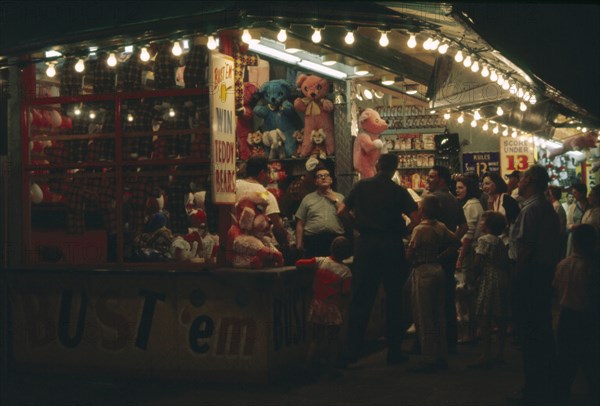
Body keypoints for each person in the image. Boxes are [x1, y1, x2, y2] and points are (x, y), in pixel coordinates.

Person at [340, 154, 419, 366]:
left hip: (366, 246)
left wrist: (356, 227)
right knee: (394, 299)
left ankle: (352, 351)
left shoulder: (361, 186)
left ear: (377, 165)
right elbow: (416, 217)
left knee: (361, 298)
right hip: (391, 246)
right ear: (395, 169)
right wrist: (403, 231)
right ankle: (394, 351)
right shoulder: (398, 191)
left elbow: (341, 210)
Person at [508, 165, 562, 404]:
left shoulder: (531, 210)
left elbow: (526, 248)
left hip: (531, 274)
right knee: (540, 332)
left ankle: (534, 390)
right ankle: (546, 385)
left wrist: (517, 278)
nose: (518, 182)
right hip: (542, 273)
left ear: (529, 180)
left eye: (521, 178)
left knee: (531, 334)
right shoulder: (545, 208)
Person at [406, 195, 461, 373]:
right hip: (438, 269)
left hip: (423, 271)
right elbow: (456, 242)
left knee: (424, 315)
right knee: (439, 313)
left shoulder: (419, 230)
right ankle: (441, 355)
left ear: (422, 210)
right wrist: (440, 256)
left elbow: (410, 254)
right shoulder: (441, 226)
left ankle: (428, 357)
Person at [553, 224, 599, 406]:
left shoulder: (563, 264)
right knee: (590, 361)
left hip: (566, 316)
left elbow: (556, 289)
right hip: (587, 317)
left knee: (565, 361)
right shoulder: (592, 267)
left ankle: (560, 396)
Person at [295, 236, 353, 379]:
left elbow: (299, 263)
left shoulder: (321, 261)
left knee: (316, 338)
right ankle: (330, 369)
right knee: (333, 340)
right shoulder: (346, 272)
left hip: (317, 305)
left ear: (331, 248)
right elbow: (346, 293)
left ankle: (307, 366)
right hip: (333, 308)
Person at [426, 165, 467, 354]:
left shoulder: (432, 199)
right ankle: (451, 340)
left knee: (432, 300)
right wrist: (453, 240)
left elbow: (423, 224)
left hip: (434, 255)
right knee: (448, 298)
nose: (428, 180)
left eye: (432, 177)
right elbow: (464, 226)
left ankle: (433, 343)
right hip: (448, 255)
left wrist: (443, 240)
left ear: (441, 179)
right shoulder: (453, 198)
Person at [469, 211, 511, 369]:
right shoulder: (499, 241)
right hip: (502, 278)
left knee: (485, 317)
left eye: (482, 221)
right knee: (501, 318)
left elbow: (478, 261)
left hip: (489, 279)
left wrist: (474, 277)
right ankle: (499, 353)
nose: (480, 223)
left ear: (487, 225)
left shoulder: (484, 240)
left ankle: (486, 354)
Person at [454, 175, 485, 344]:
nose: (457, 190)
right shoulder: (474, 204)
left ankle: (467, 332)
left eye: (461, 188)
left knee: (463, 292)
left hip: (467, 253)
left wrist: (460, 257)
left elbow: (468, 235)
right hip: (469, 252)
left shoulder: (471, 206)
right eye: (457, 188)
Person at [235, 156, 289, 251]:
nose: (270, 177)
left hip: (232, 240)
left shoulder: (234, 185)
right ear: (262, 174)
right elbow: (277, 228)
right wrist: (286, 243)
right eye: (269, 173)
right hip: (255, 247)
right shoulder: (266, 195)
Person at [295, 166, 346, 258]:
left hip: (334, 241)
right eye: (320, 176)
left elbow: (347, 218)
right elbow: (300, 223)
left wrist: (335, 200)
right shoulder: (308, 199)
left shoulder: (340, 197)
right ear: (316, 182)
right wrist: (298, 243)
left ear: (331, 180)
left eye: (326, 175)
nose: (323, 178)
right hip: (313, 241)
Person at [566, 183, 588, 256]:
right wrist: (572, 226)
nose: (573, 195)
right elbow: (568, 223)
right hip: (574, 236)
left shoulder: (591, 206)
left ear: (582, 193)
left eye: (575, 192)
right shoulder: (572, 207)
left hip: (587, 237)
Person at [547, 185, 568, 258]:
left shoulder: (556, 206)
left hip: (557, 238)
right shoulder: (555, 205)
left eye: (548, 193)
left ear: (552, 194)